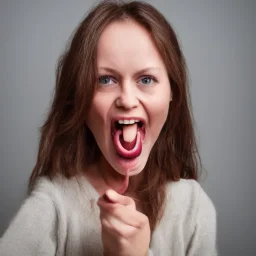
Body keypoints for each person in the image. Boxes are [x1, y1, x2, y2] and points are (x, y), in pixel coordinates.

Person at [0, 1, 217, 255]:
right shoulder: (53, 207)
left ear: (172, 92)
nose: (126, 99)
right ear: (79, 96)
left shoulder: (193, 209)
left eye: (146, 79)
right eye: (105, 79)